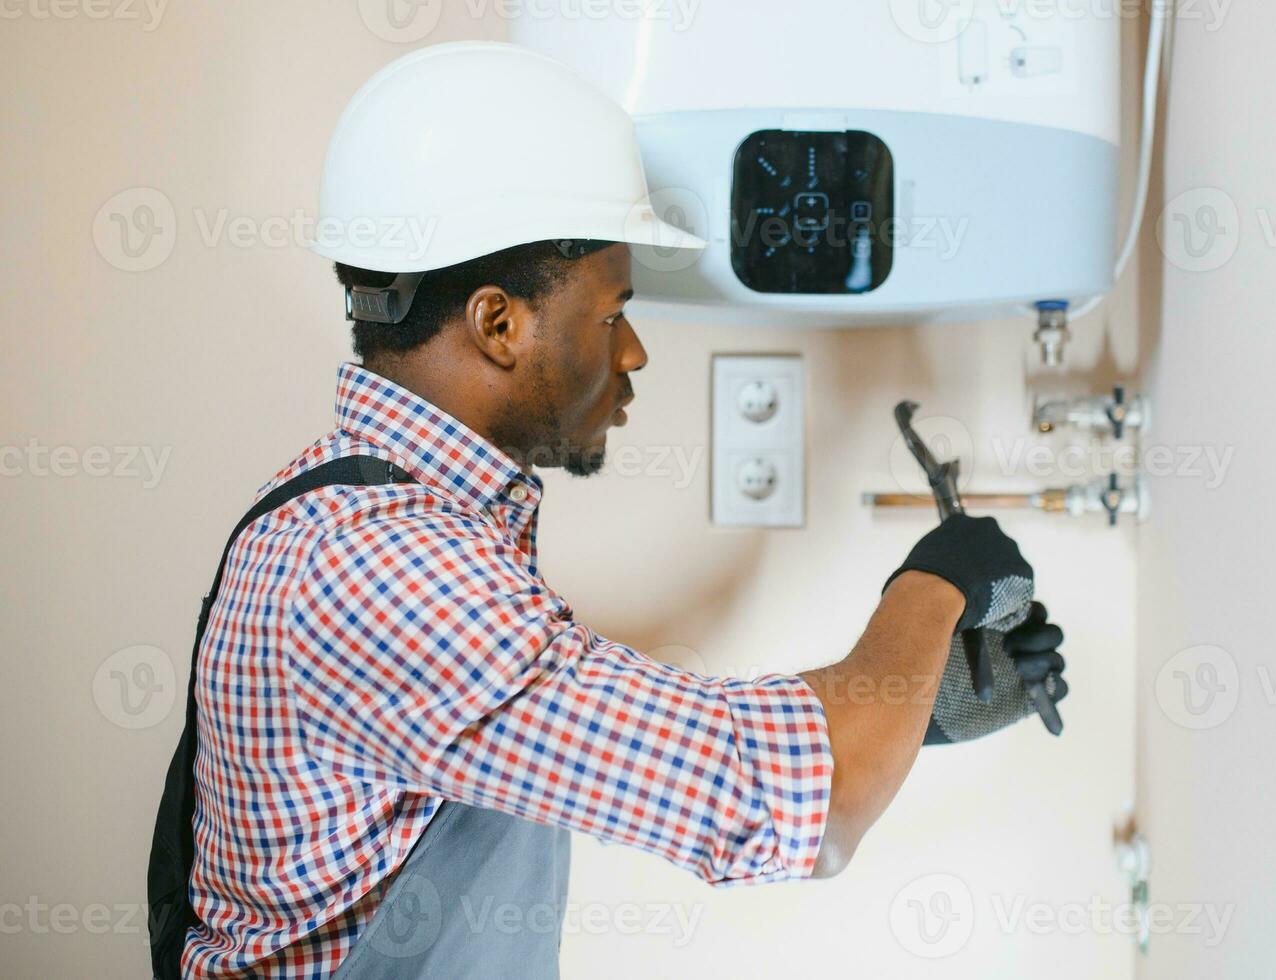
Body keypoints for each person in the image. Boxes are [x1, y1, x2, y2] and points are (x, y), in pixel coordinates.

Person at [149, 41, 1066, 979]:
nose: (631, 354)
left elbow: (612, 721)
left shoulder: (371, 519)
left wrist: (912, 706)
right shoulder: (384, 569)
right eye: (611, 312)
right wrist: (937, 580)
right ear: (498, 324)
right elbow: (806, 807)